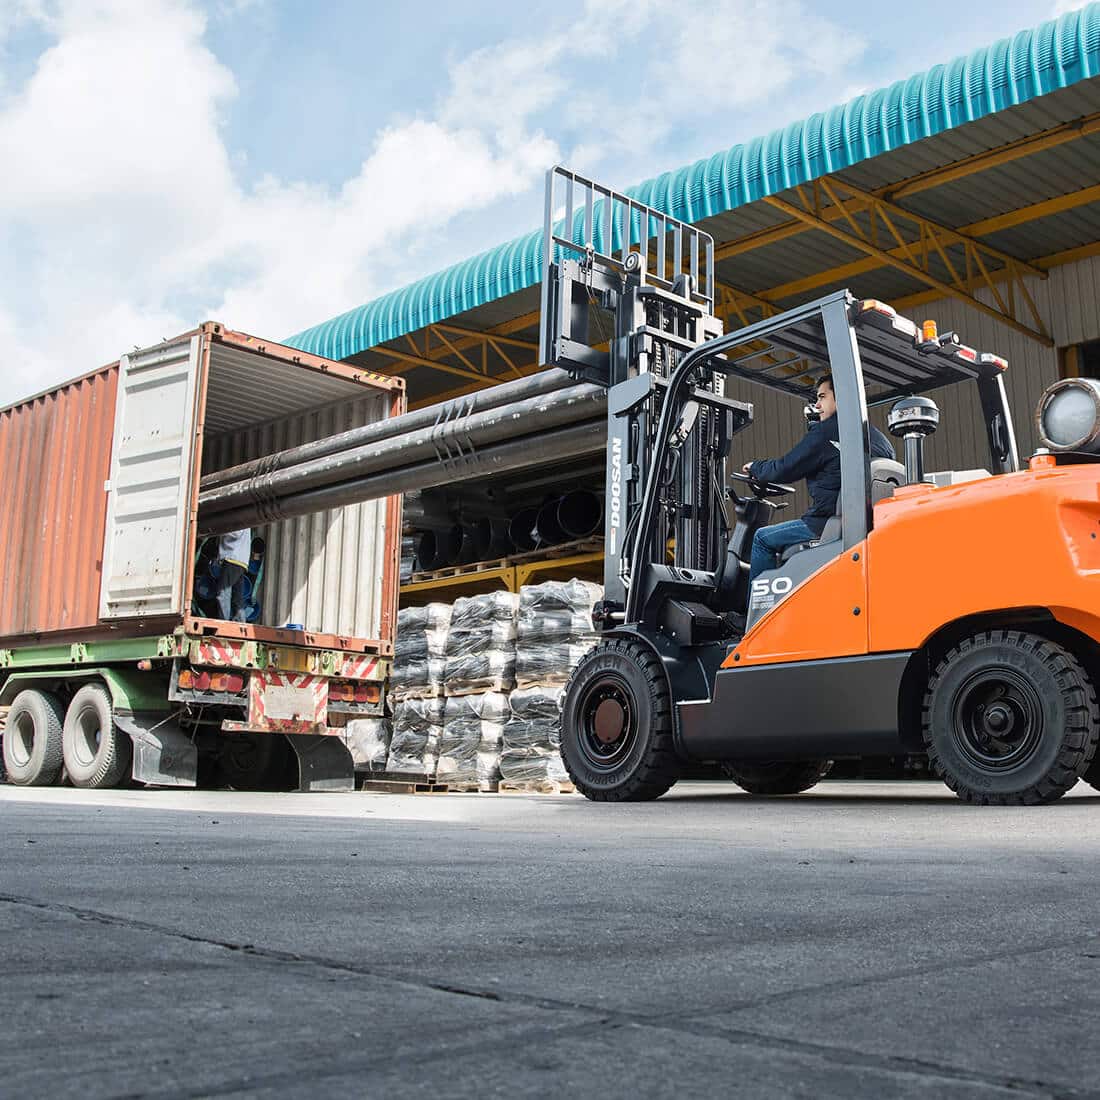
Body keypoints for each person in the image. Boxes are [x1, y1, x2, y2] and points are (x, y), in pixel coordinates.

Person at [743, 375, 894, 583]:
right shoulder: (880, 440)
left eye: (822, 397)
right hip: (867, 527)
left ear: (840, 397)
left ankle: (757, 612)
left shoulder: (827, 432)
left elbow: (784, 468)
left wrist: (755, 467)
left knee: (762, 538)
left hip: (826, 524)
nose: (817, 404)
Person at [214, 528, 251, 622]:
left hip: (232, 558)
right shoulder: (248, 516)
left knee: (223, 594)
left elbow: (235, 533)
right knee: (237, 598)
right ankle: (241, 623)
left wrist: (219, 530)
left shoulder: (238, 515)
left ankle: (223, 623)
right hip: (241, 561)